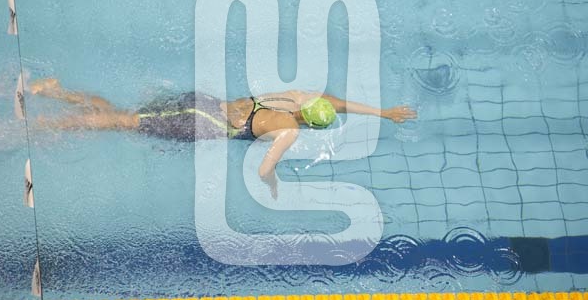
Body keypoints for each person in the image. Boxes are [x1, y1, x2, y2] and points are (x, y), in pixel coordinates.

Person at [30, 78, 417, 198]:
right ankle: (52, 123)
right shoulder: (289, 130)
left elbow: (338, 104)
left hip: (201, 102)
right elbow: (264, 168)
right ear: (314, 125)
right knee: (124, 122)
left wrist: (384, 112)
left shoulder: (297, 97)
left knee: (127, 115)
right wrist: (273, 183)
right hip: (199, 123)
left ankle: (56, 91)